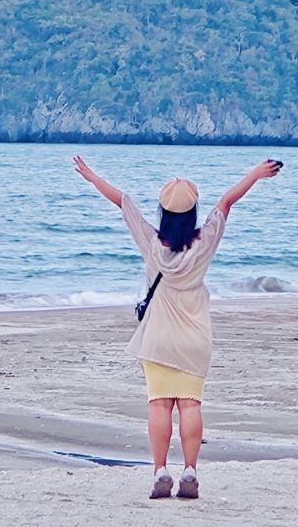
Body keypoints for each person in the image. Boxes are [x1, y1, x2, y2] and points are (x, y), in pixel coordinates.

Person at [73, 155, 282, 500]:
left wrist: (92, 176)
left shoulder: (152, 245)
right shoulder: (204, 243)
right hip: (194, 337)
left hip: (158, 338)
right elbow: (227, 202)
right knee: (190, 404)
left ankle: (159, 471)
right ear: (193, 214)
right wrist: (256, 174)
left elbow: (123, 201)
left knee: (159, 404)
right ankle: (190, 470)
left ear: (162, 213)